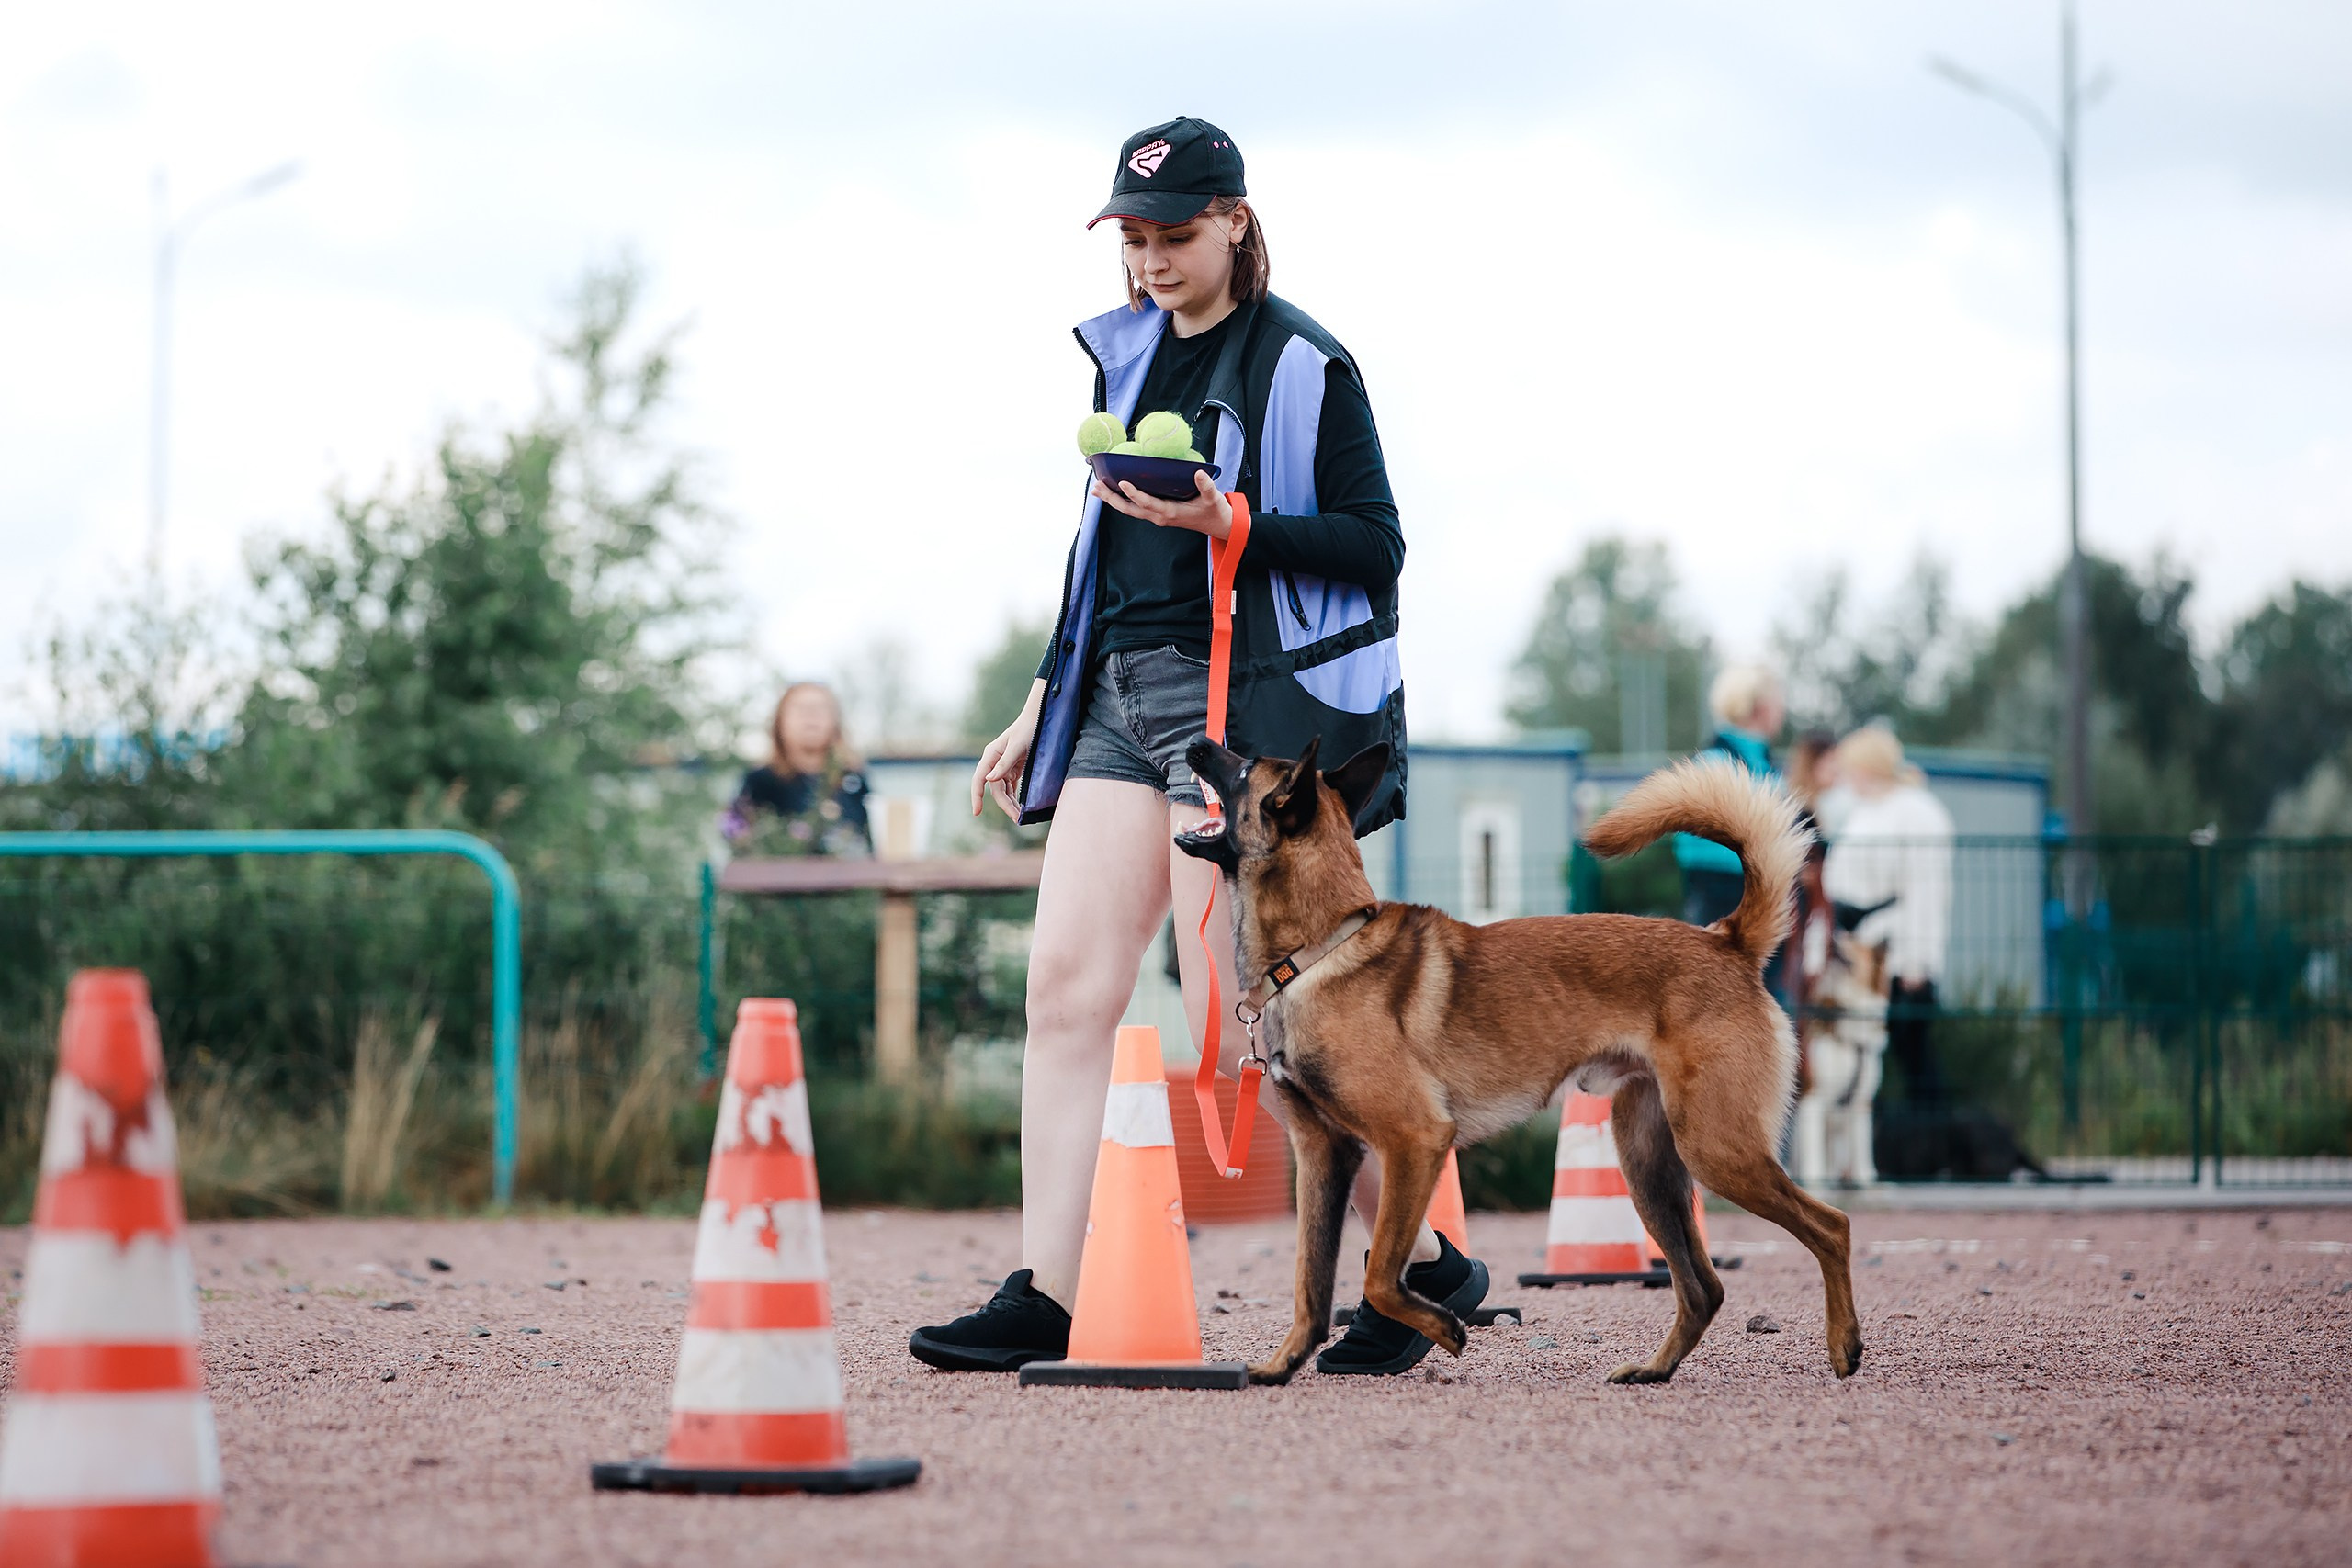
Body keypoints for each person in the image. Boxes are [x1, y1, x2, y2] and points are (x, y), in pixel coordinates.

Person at [910, 117, 1464, 1378]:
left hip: (1241, 715)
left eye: (1174, 236)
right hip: (1114, 689)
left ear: (1236, 222)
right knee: (1066, 987)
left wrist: (1240, 520)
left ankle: (1424, 1262)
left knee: (1258, 1023)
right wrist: (1044, 693)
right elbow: (1099, 548)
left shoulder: (1307, 362)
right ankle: (1047, 1288)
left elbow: (1377, 547)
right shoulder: (1124, 359)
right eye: (1135, 239)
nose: (1151, 262)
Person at [1821, 724, 1954, 1106]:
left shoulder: (1917, 814)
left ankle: (1934, 1146)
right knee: (1880, 1057)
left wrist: (1918, 963)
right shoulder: (1867, 811)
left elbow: (1926, 893)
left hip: (1898, 959)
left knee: (1914, 1057)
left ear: (1864, 768)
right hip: (1861, 955)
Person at [1674, 665, 1789, 998]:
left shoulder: (1764, 767)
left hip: (1764, 903)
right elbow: (1694, 846)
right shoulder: (1715, 763)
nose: (1782, 710)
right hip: (1725, 902)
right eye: (1778, 701)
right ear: (1760, 706)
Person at [720, 682, 872, 857]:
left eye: (821, 708)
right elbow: (740, 847)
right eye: (800, 708)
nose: (811, 716)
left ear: (836, 721)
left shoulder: (854, 781)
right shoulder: (760, 784)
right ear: (780, 722)